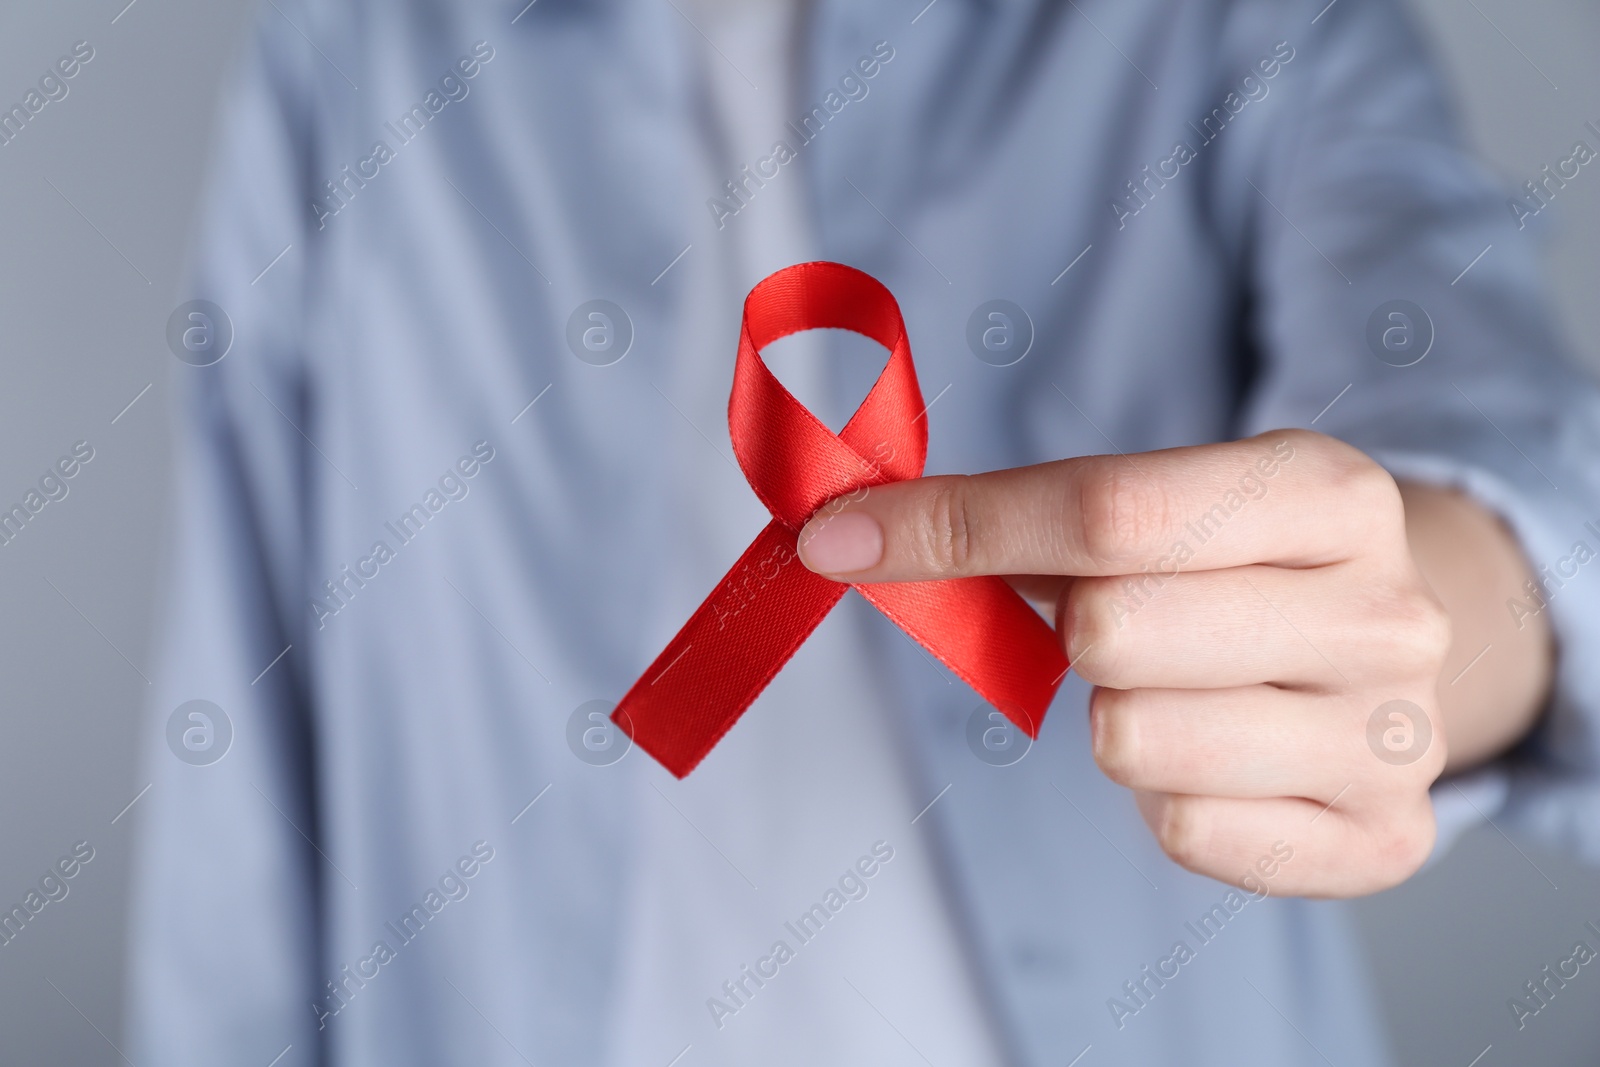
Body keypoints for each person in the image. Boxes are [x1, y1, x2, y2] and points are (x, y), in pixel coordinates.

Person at [127, 0, 1600, 1063]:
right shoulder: (351, 60)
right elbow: (240, 746)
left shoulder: (1231, 29)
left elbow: (1490, 424)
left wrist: (1437, 622)